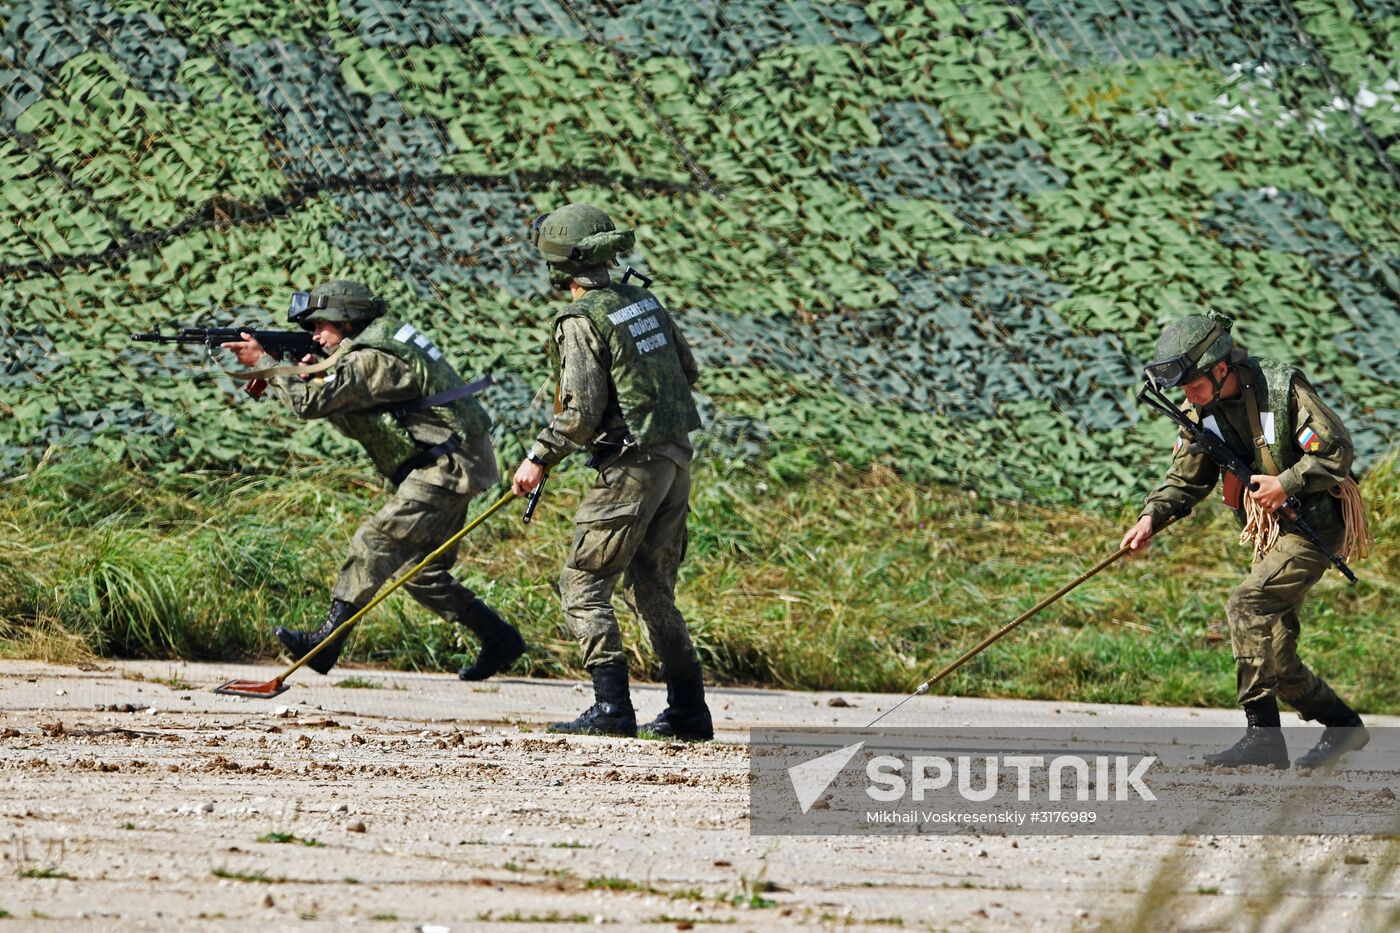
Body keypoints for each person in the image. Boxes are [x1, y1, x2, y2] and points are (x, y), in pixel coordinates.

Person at [221, 280, 525, 680]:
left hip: (448, 465)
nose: (314, 335)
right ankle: (499, 638)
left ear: (348, 323)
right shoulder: (379, 343)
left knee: (374, 541)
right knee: (416, 568)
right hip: (459, 457)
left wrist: (265, 362)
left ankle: (326, 644)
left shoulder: (372, 361)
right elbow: (332, 386)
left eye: (320, 326)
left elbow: (312, 401)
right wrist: (285, 365)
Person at [1122, 312, 1371, 770]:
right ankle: (1342, 727)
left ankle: (1263, 737)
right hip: (1274, 530)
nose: (1188, 397)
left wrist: (1288, 483)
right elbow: (1186, 478)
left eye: (1194, 385)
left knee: (1246, 603)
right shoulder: (1202, 411)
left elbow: (1336, 450)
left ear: (1221, 370)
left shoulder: (1283, 390)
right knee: (1274, 653)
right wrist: (1149, 518)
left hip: (1315, 522)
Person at [510, 203, 713, 740]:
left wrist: (537, 458)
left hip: (629, 467)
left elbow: (578, 415)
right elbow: (687, 371)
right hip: (674, 459)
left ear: (559, 264)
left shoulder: (582, 318)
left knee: (583, 581)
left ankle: (611, 708)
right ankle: (689, 711)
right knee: (651, 589)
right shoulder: (642, 300)